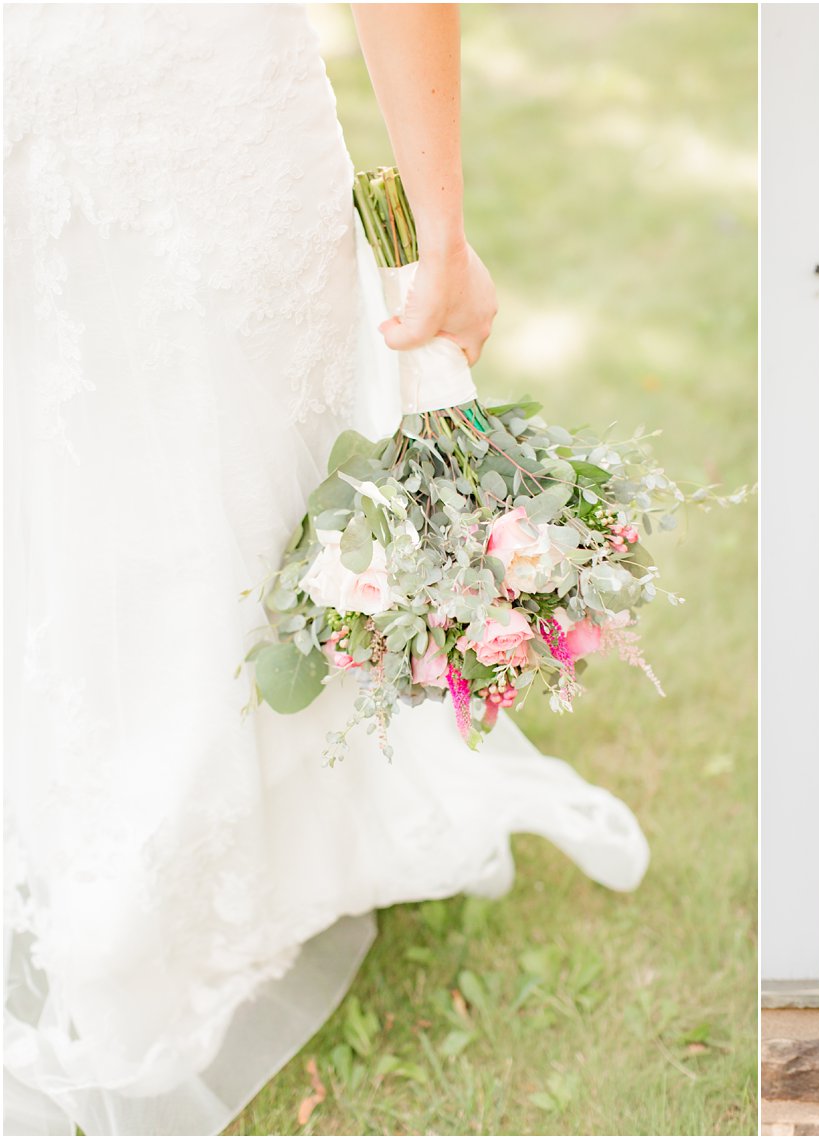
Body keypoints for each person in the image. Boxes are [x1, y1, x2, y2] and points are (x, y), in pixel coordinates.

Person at [3, 6, 648, 1134]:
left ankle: (151, 830)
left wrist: (435, 231)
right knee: (159, 478)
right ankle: (151, 839)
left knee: (130, 481)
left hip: (137, 100)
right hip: (170, 100)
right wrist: (438, 230)